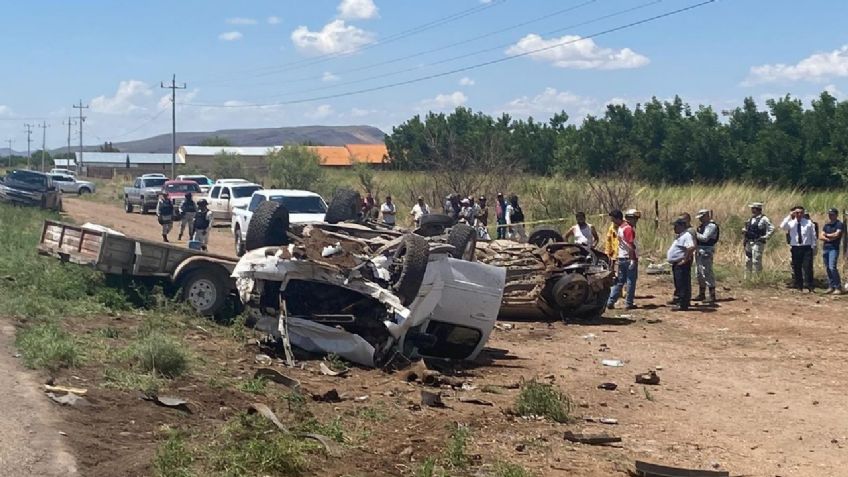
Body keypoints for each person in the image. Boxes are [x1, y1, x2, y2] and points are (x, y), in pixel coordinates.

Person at [607, 209, 639, 310]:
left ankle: (611, 301)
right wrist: (633, 259)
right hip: (628, 258)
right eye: (635, 219)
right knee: (630, 281)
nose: (636, 221)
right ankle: (629, 303)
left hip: (621, 257)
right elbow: (630, 246)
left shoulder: (621, 228)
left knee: (620, 281)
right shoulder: (628, 229)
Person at [780, 205, 817, 292]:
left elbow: (813, 235)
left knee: (807, 267)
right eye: (797, 213)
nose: (799, 214)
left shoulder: (808, 223)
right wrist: (789, 216)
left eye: (801, 213)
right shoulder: (791, 223)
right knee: (797, 267)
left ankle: (809, 285)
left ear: (803, 213)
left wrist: (813, 246)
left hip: (806, 247)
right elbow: (782, 226)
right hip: (796, 247)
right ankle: (799, 285)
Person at [667, 218, 696, 311]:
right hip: (677, 263)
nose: (674, 228)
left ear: (682, 226)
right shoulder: (681, 236)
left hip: (682, 264)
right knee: (679, 283)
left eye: (676, 226)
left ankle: (682, 304)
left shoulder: (687, 235)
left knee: (682, 283)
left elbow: (691, 247)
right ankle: (680, 301)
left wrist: (685, 259)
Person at [694, 209, 720, 305]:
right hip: (699, 250)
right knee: (699, 273)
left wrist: (694, 233)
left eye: (702, 217)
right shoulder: (702, 226)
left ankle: (712, 295)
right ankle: (702, 293)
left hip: (706, 251)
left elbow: (705, 238)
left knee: (707, 272)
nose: (700, 220)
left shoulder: (711, 226)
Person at [742, 202, 775, 278]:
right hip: (749, 242)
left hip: (758, 242)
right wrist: (744, 230)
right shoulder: (751, 218)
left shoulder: (764, 219)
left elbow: (771, 228)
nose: (751, 210)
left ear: (757, 209)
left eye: (753, 208)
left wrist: (766, 236)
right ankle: (747, 278)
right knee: (748, 260)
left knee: (756, 261)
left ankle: (757, 278)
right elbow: (747, 227)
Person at [820, 208, 844, 294]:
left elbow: (836, 235)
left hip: (833, 248)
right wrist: (828, 237)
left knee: (832, 267)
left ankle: (838, 286)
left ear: (836, 215)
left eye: (832, 214)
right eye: (829, 214)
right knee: (827, 268)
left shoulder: (839, 224)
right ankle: (831, 286)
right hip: (826, 248)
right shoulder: (826, 225)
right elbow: (821, 236)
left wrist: (826, 235)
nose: (830, 216)